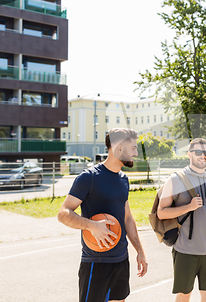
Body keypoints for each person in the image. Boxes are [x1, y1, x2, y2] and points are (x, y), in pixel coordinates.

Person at [58, 128, 147, 302]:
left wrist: (140, 251)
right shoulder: (89, 177)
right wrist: (91, 225)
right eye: (134, 148)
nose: (136, 153)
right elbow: (63, 213)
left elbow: (127, 217)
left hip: (121, 259)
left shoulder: (123, 179)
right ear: (119, 148)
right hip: (96, 262)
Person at [157, 138, 206, 302]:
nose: (203, 155)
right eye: (198, 152)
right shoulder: (175, 180)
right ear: (189, 154)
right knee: (183, 297)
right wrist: (187, 207)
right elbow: (161, 213)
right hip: (185, 251)